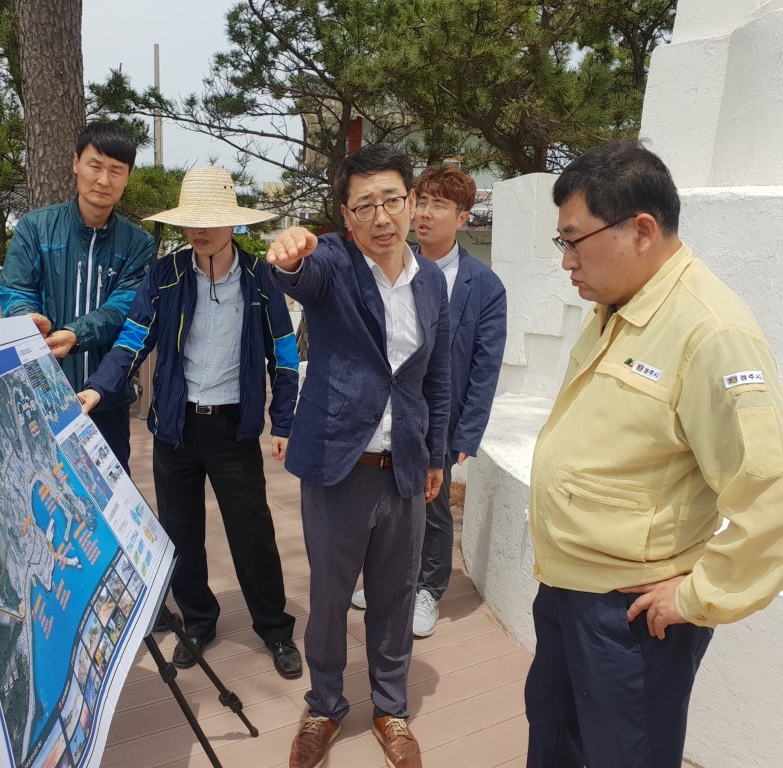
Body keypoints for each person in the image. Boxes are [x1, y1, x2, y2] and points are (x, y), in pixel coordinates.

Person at [526, 140, 783, 767]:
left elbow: (769, 489)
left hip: (631, 615)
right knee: (557, 744)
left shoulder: (710, 332)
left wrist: (699, 595)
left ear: (641, 230)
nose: (566, 262)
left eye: (573, 240)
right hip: (567, 588)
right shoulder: (620, 305)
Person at [77, 166, 304, 679]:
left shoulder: (261, 279)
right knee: (180, 533)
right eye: (191, 221)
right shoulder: (166, 275)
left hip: (233, 429)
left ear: (232, 223)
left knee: (253, 533)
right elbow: (133, 340)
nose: (200, 230)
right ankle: (199, 621)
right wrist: (98, 385)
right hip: (175, 427)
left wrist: (283, 421)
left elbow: (285, 357)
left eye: (211, 219)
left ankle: (274, 628)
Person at [266, 144, 451, 768]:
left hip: (402, 468)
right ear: (346, 216)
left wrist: (435, 456)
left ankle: (390, 707)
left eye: (392, 200)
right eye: (365, 204)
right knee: (329, 595)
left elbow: (436, 376)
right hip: (338, 467)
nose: (382, 216)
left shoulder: (430, 282)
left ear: (410, 204)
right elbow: (300, 273)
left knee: (396, 595)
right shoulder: (336, 264)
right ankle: (323, 705)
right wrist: (291, 252)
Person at [351, 165, 507, 637]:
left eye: (440, 205)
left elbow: (485, 368)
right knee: (389, 502)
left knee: (432, 505)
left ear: (462, 218)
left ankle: (428, 589)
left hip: (441, 416)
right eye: (422, 202)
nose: (424, 213)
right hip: (389, 414)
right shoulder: (391, 265)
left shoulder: (483, 286)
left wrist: (466, 434)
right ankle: (389, 581)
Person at [0, 121, 153, 470]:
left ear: (127, 178)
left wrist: (76, 334)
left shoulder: (138, 243)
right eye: (95, 165)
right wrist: (27, 318)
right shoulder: (35, 227)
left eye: (116, 170)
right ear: (76, 163)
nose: (103, 179)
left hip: (106, 400)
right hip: (41, 393)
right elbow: (15, 289)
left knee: (112, 492)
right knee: (41, 485)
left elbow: (124, 308)